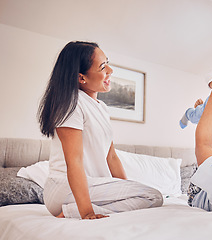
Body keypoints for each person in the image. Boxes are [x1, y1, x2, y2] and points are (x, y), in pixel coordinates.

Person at [38, 41, 163, 220]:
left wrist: (128, 190)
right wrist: (87, 212)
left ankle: (73, 209)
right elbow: (74, 162)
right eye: (103, 67)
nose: (110, 71)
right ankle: (70, 211)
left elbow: (111, 156)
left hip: (92, 186)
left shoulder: (102, 107)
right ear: (82, 78)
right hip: (64, 189)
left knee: (150, 196)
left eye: (108, 63)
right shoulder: (71, 104)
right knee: (153, 196)